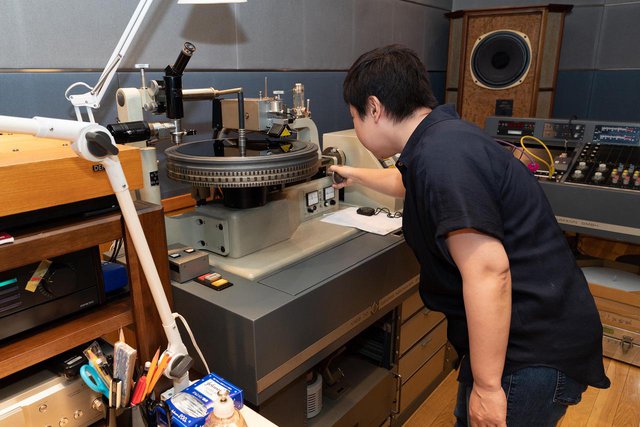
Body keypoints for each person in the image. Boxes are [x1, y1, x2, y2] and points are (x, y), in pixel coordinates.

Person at [330, 44, 610, 427]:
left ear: (374, 108)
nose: (356, 126)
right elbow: (407, 181)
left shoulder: (442, 156)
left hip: (529, 350)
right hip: (519, 336)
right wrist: (352, 174)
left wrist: (489, 387)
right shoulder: (442, 139)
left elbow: (488, 272)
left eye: (354, 116)